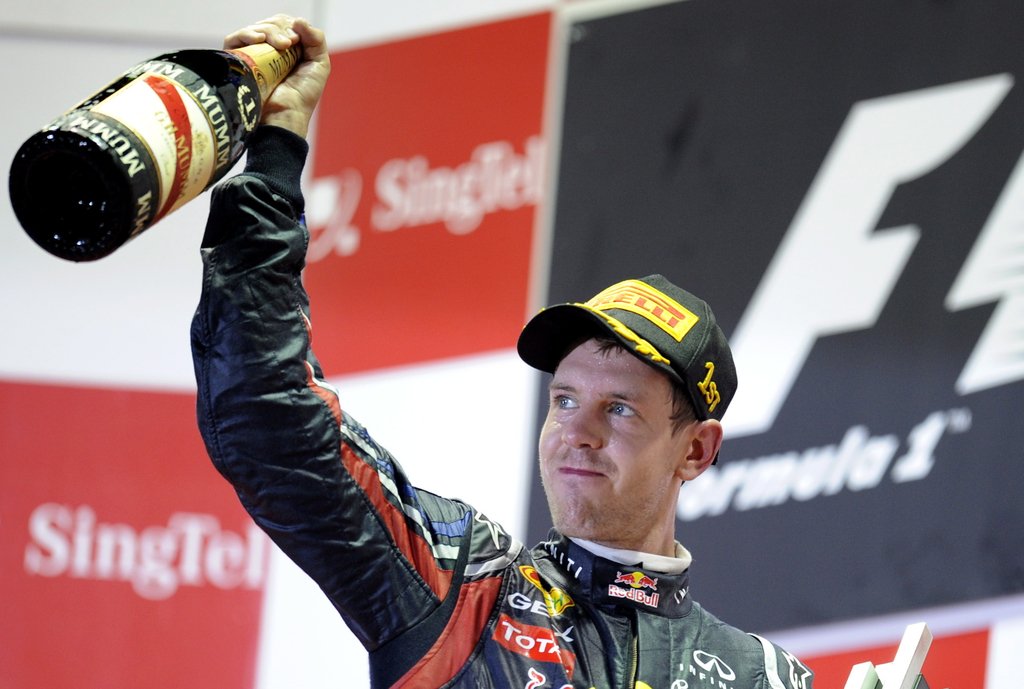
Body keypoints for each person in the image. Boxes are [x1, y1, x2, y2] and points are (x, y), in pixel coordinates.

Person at [192, 14, 814, 689]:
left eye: (620, 409)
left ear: (695, 450)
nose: (576, 432)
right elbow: (272, 422)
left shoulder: (763, 677)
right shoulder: (464, 586)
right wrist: (277, 150)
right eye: (565, 399)